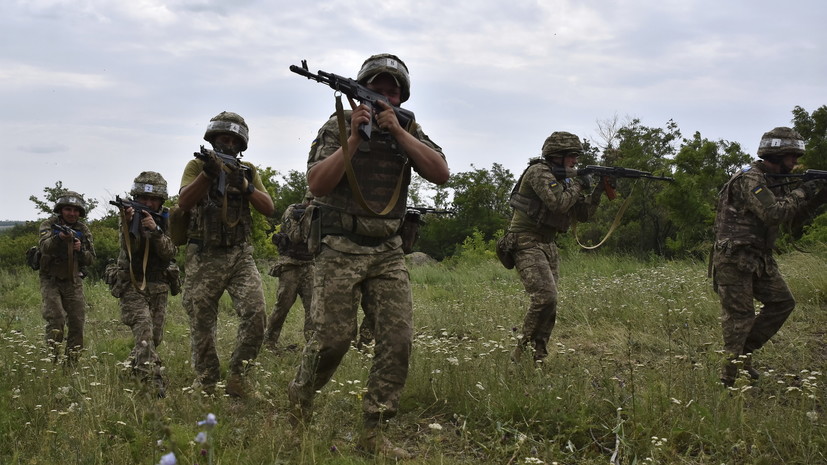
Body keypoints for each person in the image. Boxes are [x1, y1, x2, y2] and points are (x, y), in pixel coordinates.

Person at [287, 53, 449, 458]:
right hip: (339, 246)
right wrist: (356, 138)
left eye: (393, 90)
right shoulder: (338, 126)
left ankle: (374, 431)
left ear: (402, 96)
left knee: (397, 340)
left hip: (388, 251)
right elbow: (318, 184)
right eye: (378, 87)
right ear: (364, 88)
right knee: (332, 341)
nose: (385, 94)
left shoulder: (408, 127)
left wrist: (399, 132)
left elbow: (441, 173)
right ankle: (300, 398)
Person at [711, 126, 827, 387]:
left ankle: (742, 356)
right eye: (792, 157)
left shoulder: (774, 182)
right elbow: (774, 213)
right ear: (778, 153)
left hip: (759, 258)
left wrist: (818, 196)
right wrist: (804, 190)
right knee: (740, 319)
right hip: (734, 258)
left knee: (782, 303)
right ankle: (727, 381)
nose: (796, 163)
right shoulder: (751, 179)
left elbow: (793, 220)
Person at [178, 111, 275, 398]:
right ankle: (206, 381)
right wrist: (209, 175)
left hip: (239, 254)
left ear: (241, 143)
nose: (228, 142)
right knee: (202, 321)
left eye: (233, 138)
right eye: (223, 137)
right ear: (212, 138)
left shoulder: (248, 171)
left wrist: (244, 185)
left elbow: (268, 208)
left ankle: (238, 378)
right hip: (204, 255)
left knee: (256, 313)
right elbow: (184, 201)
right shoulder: (197, 165)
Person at [501, 131, 605, 363]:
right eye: (572, 156)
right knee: (545, 298)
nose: (576, 161)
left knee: (551, 303)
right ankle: (519, 354)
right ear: (557, 155)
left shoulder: (566, 180)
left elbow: (584, 214)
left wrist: (599, 189)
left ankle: (539, 356)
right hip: (525, 242)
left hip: (547, 244)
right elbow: (557, 204)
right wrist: (579, 183)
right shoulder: (539, 172)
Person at [109, 172, 177, 397]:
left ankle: (129, 368)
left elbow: (169, 253)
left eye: (153, 200)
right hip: (132, 284)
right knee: (145, 332)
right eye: (144, 199)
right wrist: (130, 223)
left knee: (154, 338)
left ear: (161, 201)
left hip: (158, 284)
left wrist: (156, 232)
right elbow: (132, 250)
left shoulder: (166, 219)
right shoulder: (128, 216)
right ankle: (153, 386)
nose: (148, 203)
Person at [37, 190, 96, 364]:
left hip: (73, 280)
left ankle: (72, 364)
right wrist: (60, 238)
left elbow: (91, 258)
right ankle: (52, 361)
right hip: (51, 279)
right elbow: (44, 247)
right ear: (61, 210)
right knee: (56, 320)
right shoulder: (48, 225)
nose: (72, 213)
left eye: (76, 210)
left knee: (77, 323)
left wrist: (80, 250)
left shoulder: (83, 229)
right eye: (68, 209)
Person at [264, 196, 315, 352]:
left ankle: (312, 344)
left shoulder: (320, 214)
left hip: (309, 265)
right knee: (283, 306)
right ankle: (269, 342)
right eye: (311, 201)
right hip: (290, 265)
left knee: (313, 307)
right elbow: (295, 236)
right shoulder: (293, 211)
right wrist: (304, 218)